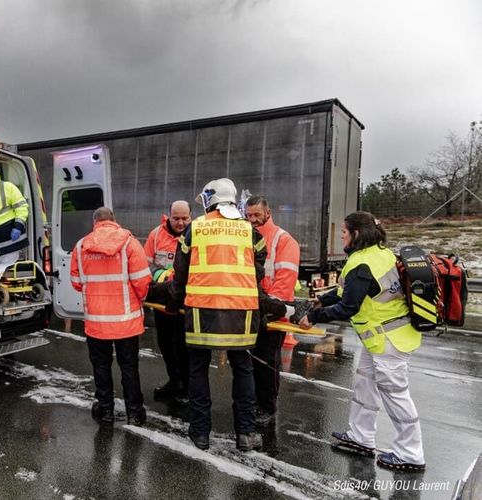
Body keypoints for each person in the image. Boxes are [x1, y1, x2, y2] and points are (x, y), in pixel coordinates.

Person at [299, 211, 426, 472]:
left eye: (344, 232)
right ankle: (361, 437)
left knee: (396, 395)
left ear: (356, 234)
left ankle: (411, 454)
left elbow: (348, 306)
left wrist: (314, 316)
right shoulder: (381, 254)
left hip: (389, 339)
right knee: (364, 383)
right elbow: (352, 291)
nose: (341, 236)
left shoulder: (361, 263)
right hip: (381, 338)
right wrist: (323, 299)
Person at [163, 178, 279, 452]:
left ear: (210, 199)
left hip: (202, 310)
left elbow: (180, 275)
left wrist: (174, 302)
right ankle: (245, 434)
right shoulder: (250, 232)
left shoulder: (195, 229)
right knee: (243, 370)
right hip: (242, 313)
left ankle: (200, 433)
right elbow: (259, 270)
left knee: (198, 371)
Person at [70, 207, 152, 426]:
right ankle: (134, 413)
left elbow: (77, 283)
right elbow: (143, 282)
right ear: (114, 220)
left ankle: (105, 411)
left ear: (95, 222)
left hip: (96, 324)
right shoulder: (130, 243)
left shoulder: (80, 247)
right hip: (127, 322)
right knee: (129, 367)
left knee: (101, 367)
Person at [245, 195, 301, 426]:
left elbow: (285, 281)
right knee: (251, 360)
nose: (252, 220)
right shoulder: (245, 237)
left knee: (268, 362)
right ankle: (255, 402)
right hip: (252, 308)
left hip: (272, 310)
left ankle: (267, 407)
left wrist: (270, 309)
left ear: (268, 213)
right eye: (248, 215)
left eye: (257, 215)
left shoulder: (283, 240)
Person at [144, 200, 192, 406]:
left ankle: (188, 388)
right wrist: (161, 277)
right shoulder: (156, 235)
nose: (180, 223)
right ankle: (174, 381)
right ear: (169, 216)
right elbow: (145, 265)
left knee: (184, 348)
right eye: (176, 218)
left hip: (185, 302)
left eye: (184, 218)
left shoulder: (196, 234)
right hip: (163, 302)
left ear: (191, 216)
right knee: (165, 344)